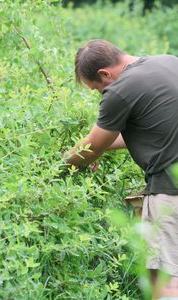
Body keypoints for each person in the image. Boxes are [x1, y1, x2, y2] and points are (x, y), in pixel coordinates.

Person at [64, 39, 178, 299]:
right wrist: (99, 148)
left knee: (165, 283)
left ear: (105, 74)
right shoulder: (170, 62)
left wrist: (61, 162)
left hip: (170, 192)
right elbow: (154, 127)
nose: (99, 94)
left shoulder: (121, 89)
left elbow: (89, 148)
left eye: (97, 88)